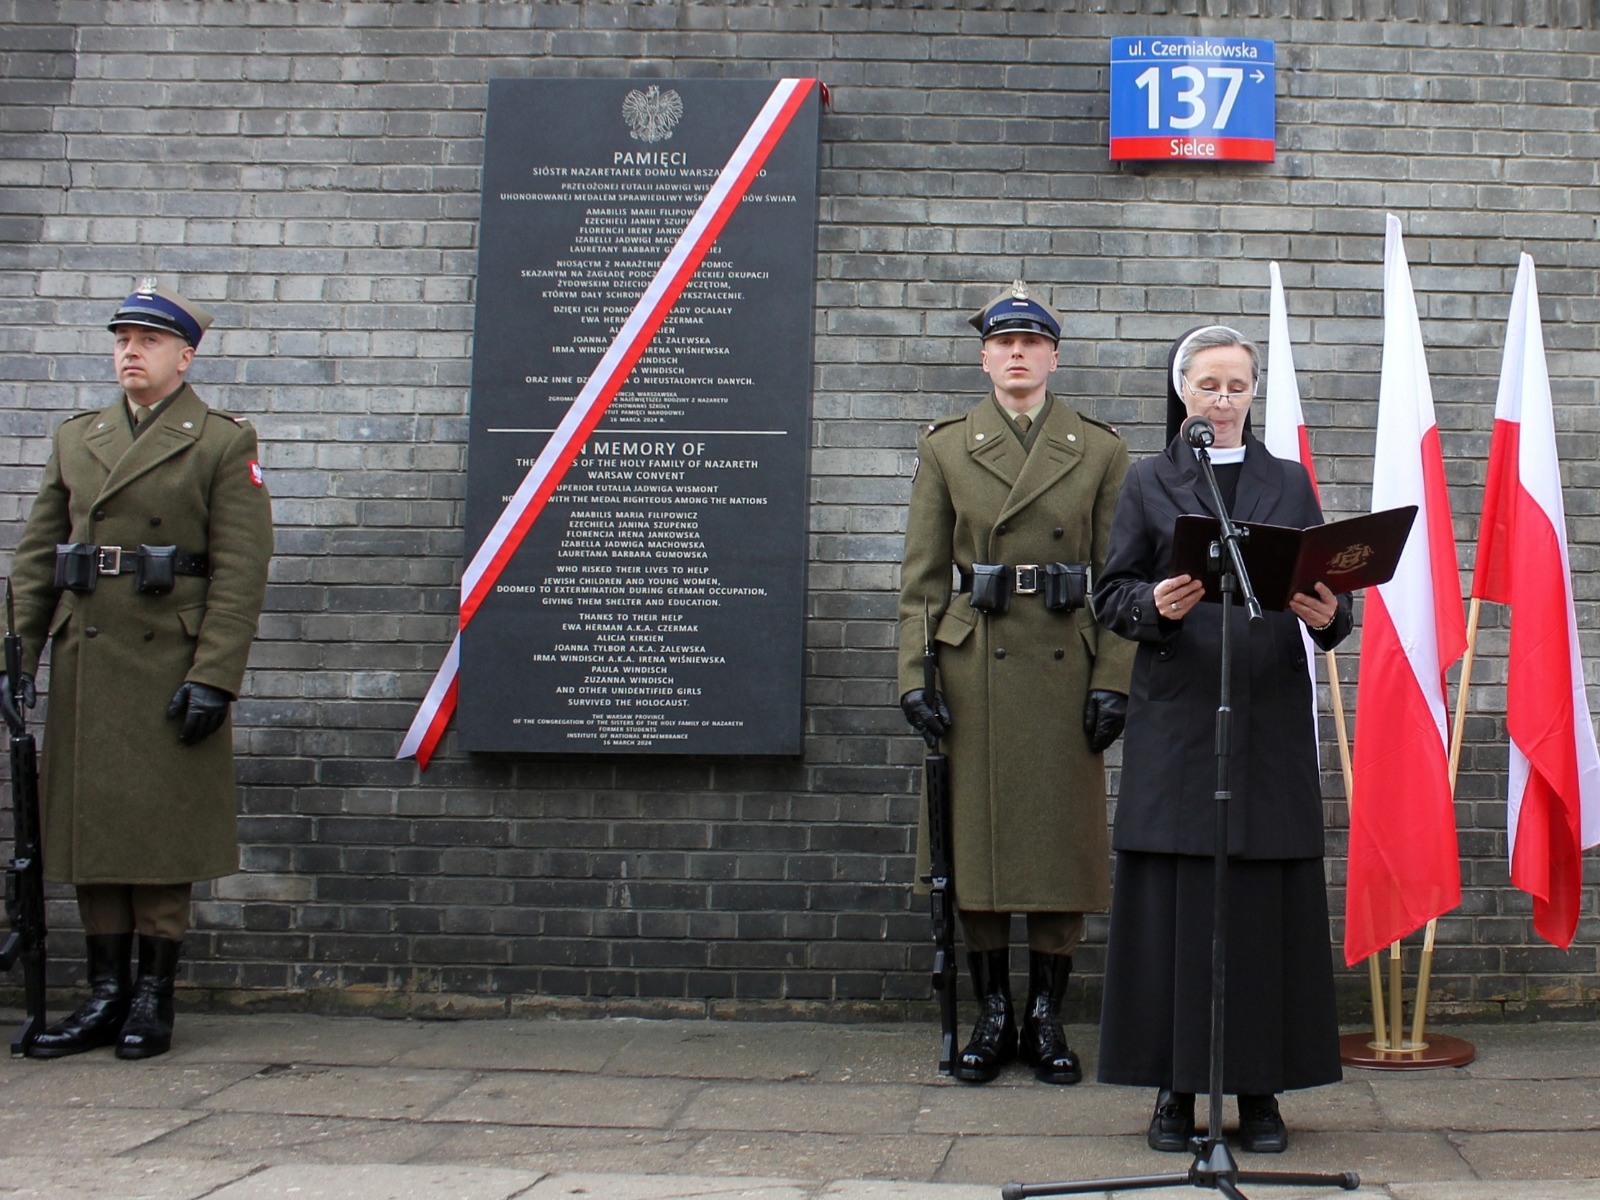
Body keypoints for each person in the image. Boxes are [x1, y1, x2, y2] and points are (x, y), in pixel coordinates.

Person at [1090, 325, 1351, 1152]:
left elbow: (1327, 590)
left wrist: (1330, 615)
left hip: (1267, 711)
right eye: (1209, 385)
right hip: (1180, 713)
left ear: (1253, 393)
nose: (1224, 400)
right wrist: (1151, 607)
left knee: (1261, 909)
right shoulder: (1147, 480)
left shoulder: (1288, 481)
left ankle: (1261, 1092)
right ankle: (1173, 1090)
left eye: (1238, 386)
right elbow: (1112, 592)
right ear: (1183, 390)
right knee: (1177, 906)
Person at [1, 280, 273, 1060]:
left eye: (148, 341)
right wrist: (13, 654)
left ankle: (153, 998)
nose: (129, 352)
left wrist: (216, 674)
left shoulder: (220, 441)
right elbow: (36, 558)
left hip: (169, 660)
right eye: (122, 339)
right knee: (95, 831)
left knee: (159, 834)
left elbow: (242, 566)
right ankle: (103, 993)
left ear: (184, 356)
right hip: (89, 656)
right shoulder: (76, 438)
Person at [897, 281, 1135, 1085]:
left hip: (1065, 659)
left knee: (1058, 844)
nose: (1018, 354)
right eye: (1004, 343)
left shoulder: (1098, 448)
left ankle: (1047, 1015)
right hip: (975, 663)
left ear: (1054, 355)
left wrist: (1116, 678)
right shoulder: (946, 445)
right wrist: (912, 676)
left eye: (1032, 343)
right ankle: (995, 1013)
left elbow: (1120, 577)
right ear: (985, 357)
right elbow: (923, 578)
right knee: (979, 842)